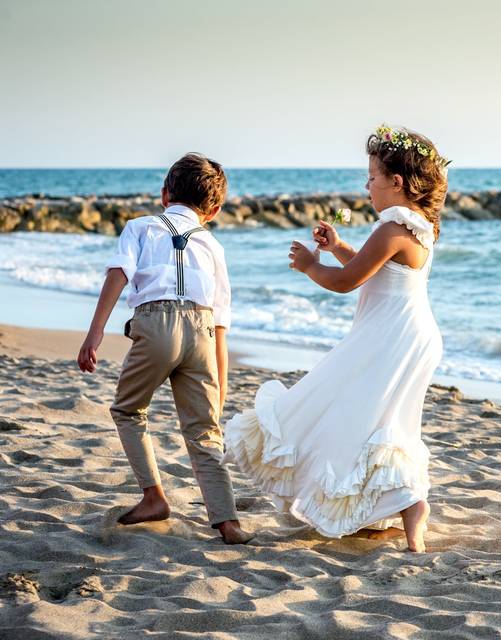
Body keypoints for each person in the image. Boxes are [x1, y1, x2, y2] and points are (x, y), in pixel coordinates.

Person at [225, 125, 449, 552]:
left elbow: (348, 281)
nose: (366, 186)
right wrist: (339, 246)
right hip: (411, 335)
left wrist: (311, 265)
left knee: (352, 412)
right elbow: (375, 269)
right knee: (387, 423)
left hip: (388, 338)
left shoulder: (391, 229)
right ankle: (410, 511)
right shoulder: (417, 227)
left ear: (395, 182)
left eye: (371, 177)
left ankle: (400, 507)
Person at [77, 152, 253, 545]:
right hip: (202, 332)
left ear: (164, 194)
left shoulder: (139, 227)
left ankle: (154, 496)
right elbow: (221, 322)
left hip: (156, 325)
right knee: (205, 431)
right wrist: (220, 384)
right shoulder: (212, 245)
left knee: (127, 409)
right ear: (215, 209)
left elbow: (119, 273)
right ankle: (228, 522)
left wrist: (95, 332)